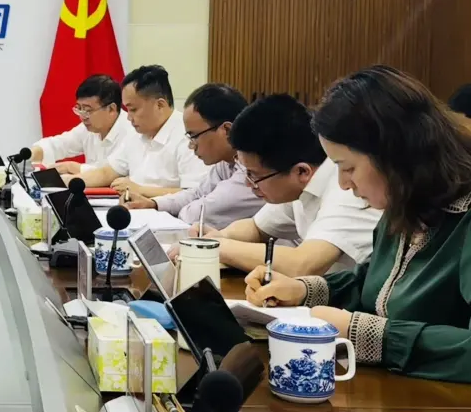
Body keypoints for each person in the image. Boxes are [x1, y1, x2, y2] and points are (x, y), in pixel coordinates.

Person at [246, 65, 471, 382]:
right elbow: (376, 282)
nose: (343, 184)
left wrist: (369, 335)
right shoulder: (405, 202)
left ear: (393, 154)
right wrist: (303, 290)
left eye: (348, 168)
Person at [193, 94, 380, 276]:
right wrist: (220, 237)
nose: (248, 184)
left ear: (301, 172)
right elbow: (256, 228)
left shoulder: (349, 190)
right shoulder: (298, 186)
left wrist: (217, 247)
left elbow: (301, 264)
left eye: (254, 175)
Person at [124, 84, 264, 229]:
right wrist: (153, 204)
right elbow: (197, 194)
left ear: (227, 130)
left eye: (194, 136)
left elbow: (199, 215)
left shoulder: (254, 169)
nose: (191, 145)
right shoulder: (227, 161)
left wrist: (176, 211)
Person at [71, 65, 208, 197]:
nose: (128, 117)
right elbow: (107, 173)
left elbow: (196, 193)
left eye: (133, 109)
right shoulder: (135, 134)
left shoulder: (188, 136)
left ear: (160, 105)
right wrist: (65, 182)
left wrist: (141, 190)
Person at [29, 75, 131, 175]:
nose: (83, 117)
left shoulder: (131, 131)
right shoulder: (88, 128)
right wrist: (34, 153)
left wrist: (72, 167)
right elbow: (59, 144)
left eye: (88, 110)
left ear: (111, 109)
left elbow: (112, 172)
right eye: (79, 109)